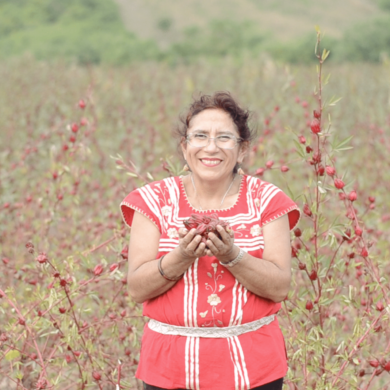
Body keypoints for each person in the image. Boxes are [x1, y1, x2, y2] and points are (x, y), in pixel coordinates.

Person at [120, 92, 300, 390]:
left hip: (253, 367)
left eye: (224, 138)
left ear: (242, 150)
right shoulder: (152, 201)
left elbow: (280, 286)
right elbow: (137, 288)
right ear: (185, 146)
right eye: (200, 136)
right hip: (169, 367)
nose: (211, 147)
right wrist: (181, 256)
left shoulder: (268, 201)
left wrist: (231, 255)